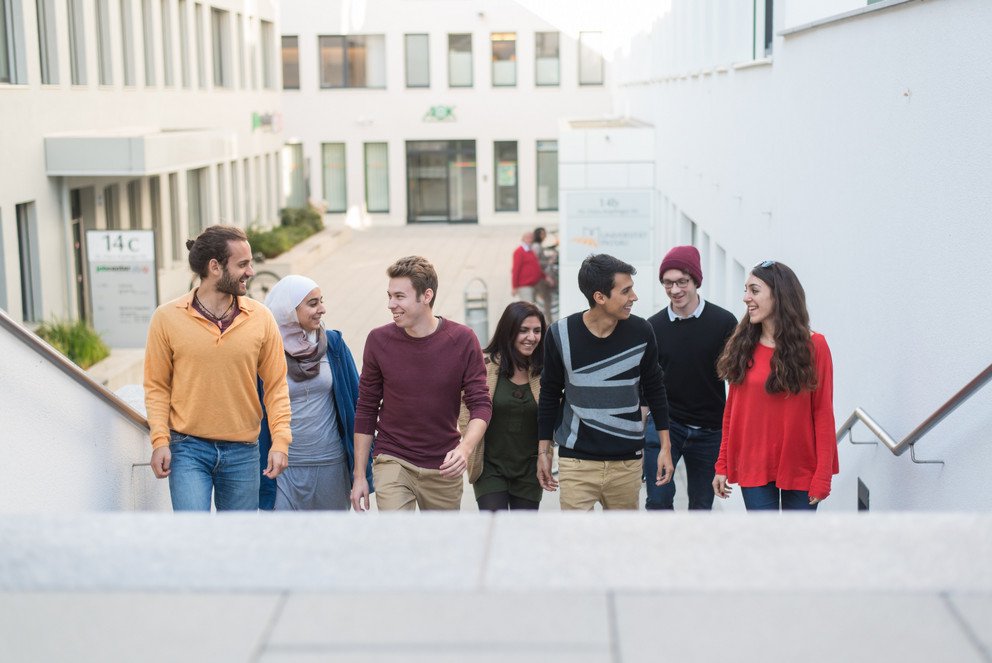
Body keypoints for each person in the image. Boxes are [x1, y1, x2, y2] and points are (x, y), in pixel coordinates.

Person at [143, 225, 291, 511]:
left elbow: (276, 386)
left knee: (237, 545)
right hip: (188, 449)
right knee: (193, 539)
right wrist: (160, 440)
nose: (251, 272)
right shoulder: (166, 318)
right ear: (214, 267)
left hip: (244, 451)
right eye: (243, 264)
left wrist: (280, 441)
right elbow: (157, 386)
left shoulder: (261, 318)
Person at [350, 256, 492, 511]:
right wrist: (359, 476)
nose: (391, 304)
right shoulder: (378, 341)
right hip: (392, 458)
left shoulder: (462, 340)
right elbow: (366, 408)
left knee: (440, 547)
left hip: (443, 465)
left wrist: (465, 449)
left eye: (399, 297)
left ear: (426, 296)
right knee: (398, 541)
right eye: (390, 296)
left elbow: (481, 404)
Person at [537, 253, 674, 510]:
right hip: (576, 463)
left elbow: (655, 390)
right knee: (576, 545)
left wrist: (665, 447)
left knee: (622, 546)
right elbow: (549, 394)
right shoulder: (560, 334)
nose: (634, 297)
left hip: (627, 464)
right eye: (626, 291)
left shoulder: (642, 332)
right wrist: (543, 452)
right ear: (600, 297)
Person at [713, 260, 838, 511]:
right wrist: (722, 464)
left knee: (796, 546)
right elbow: (733, 411)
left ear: (779, 295)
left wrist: (823, 474)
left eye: (754, 290)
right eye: (746, 290)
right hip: (754, 463)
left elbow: (823, 412)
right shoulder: (742, 345)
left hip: (801, 465)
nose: (746, 298)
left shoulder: (816, 347)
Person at [258, 275, 372, 511]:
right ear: (289, 309)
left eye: (321, 301)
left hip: (331, 464)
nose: (322, 309)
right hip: (283, 467)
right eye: (312, 303)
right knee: (283, 542)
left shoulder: (333, 344)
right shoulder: (265, 349)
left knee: (329, 543)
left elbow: (357, 401)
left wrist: (362, 468)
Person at [643, 246, 737, 510]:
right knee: (658, 501)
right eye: (668, 283)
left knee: (701, 505)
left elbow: (738, 379)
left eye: (682, 282)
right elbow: (645, 385)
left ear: (696, 281)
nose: (675, 290)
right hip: (666, 426)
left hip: (710, 431)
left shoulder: (724, 322)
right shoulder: (652, 327)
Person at [459, 301, 546, 511]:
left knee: (523, 536)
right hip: (490, 467)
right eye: (523, 330)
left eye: (537, 331)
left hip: (529, 470)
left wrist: (547, 454)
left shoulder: (545, 372)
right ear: (509, 331)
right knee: (493, 527)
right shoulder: (484, 365)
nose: (531, 337)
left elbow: (550, 417)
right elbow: (465, 409)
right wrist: (468, 443)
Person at [512, 231, 546, 305]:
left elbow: (536, 266)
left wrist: (545, 277)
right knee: (528, 307)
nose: (530, 240)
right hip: (525, 285)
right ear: (523, 239)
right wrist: (514, 286)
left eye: (531, 238)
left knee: (532, 307)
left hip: (533, 285)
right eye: (527, 238)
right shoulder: (519, 251)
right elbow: (515, 270)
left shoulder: (530, 251)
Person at [531, 227, 555, 323]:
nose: (545, 236)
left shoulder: (537, 246)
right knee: (546, 300)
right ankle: (548, 322)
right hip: (540, 278)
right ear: (539, 234)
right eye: (543, 233)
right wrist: (549, 261)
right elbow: (536, 262)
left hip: (539, 277)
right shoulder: (536, 246)